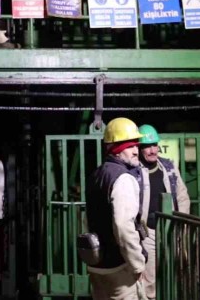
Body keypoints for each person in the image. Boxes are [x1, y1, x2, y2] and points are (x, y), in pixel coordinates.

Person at [85, 118, 146, 300]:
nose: (136, 151)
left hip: (97, 263)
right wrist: (137, 264)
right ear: (116, 150)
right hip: (119, 266)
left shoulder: (96, 174)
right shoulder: (123, 178)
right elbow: (123, 226)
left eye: (136, 145)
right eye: (129, 146)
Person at [136, 124, 190, 299]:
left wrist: (181, 224)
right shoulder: (134, 171)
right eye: (147, 146)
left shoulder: (168, 166)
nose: (153, 150)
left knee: (175, 273)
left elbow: (182, 196)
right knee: (149, 280)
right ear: (139, 148)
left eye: (155, 145)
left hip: (171, 229)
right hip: (147, 232)